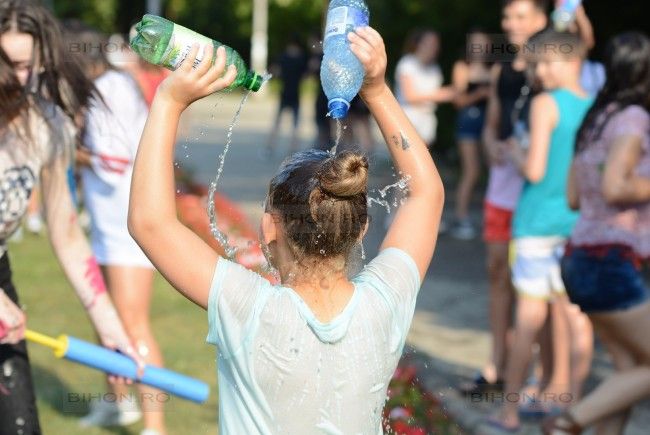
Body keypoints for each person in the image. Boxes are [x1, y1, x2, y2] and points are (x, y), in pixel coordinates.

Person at [128, 26, 444, 433]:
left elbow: (150, 222)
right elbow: (426, 193)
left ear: (269, 228)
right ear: (361, 228)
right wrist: (378, 90)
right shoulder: (385, 301)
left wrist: (169, 102)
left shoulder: (249, 308)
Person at [0, 1, 141, 433]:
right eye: (6, 63)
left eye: (27, 65)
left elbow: (65, 232)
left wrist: (110, 327)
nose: (17, 78)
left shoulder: (48, 125)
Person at [543, 31, 650, 435]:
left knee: (629, 372)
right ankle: (567, 422)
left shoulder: (596, 119)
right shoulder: (634, 118)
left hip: (582, 257)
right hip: (609, 262)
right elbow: (616, 187)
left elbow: (574, 197)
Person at [489, 30, 594, 432]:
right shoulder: (592, 105)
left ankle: (509, 412)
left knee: (529, 319)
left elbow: (534, 170)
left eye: (548, 63)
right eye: (537, 64)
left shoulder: (544, 104)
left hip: (534, 226)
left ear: (574, 61)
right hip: (574, 224)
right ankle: (572, 412)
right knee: (575, 317)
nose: (541, 72)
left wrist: (515, 151)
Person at [65, 27, 165, 435]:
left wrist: (69, 153)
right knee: (104, 319)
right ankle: (117, 404)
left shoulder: (110, 89)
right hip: (109, 224)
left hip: (129, 226)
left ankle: (155, 424)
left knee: (133, 324)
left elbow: (114, 161)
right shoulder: (108, 85)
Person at [466, 0, 549, 399]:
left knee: (536, 285)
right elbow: (492, 125)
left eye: (520, 16)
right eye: (507, 16)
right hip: (502, 189)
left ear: (542, 20)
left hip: (537, 191)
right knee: (498, 272)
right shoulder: (502, 70)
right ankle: (497, 365)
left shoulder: (550, 70)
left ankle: (538, 374)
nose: (510, 23)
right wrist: (490, 145)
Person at [449, 29, 492, 240]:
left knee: (492, 170)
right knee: (471, 171)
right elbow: (458, 100)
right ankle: (461, 216)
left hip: (490, 124)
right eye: (476, 43)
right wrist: (480, 94)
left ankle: (490, 217)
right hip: (468, 122)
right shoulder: (462, 67)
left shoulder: (494, 67)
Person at [395, 29, 456, 147]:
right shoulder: (407, 63)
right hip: (408, 118)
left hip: (427, 119)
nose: (434, 47)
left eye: (436, 43)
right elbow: (410, 96)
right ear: (419, 44)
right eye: (430, 43)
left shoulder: (435, 68)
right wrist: (444, 94)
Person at [266, 34, 308, 156]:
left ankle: (270, 147)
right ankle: (293, 149)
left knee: (277, 123)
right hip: (296, 94)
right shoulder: (301, 58)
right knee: (295, 125)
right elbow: (306, 76)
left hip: (284, 93)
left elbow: (274, 71)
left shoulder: (283, 57)